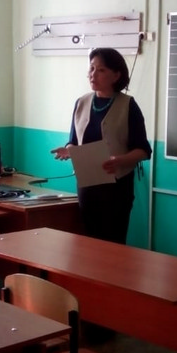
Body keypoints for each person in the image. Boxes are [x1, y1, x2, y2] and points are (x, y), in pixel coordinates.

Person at [51, 47, 151, 245]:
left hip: (117, 189)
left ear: (116, 75)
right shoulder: (81, 102)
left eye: (101, 70)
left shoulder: (128, 105)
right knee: (88, 243)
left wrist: (121, 160)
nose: (93, 74)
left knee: (112, 244)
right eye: (91, 68)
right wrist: (70, 150)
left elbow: (143, 151)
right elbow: (73, 140)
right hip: (87, 187)